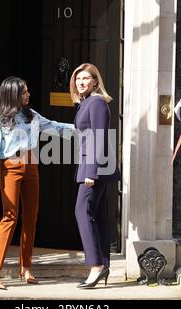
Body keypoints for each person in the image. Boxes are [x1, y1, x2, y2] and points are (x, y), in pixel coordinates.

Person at [0, 76, 74, 290]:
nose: (28, 95)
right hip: (10, 167)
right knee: (9, 216)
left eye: (27, 91)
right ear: (13, 95)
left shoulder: (32, 117)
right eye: (24, 92)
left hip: (32, 168)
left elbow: (54, 127)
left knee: (31, 217)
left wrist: (81, 128)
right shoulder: (1, 120)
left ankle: (26, 267)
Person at [69, 63, 121, 289]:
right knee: (98, 216)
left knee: (82, 211)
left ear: (95, 82)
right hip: (92, 167)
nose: (81, 82)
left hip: (94, 169)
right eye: (78, 78)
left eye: (85, 78)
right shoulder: (86, 103)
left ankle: (96, 265)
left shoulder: (97, 102)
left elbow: (100, 138)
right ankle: (103, 265)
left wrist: (91, 172)